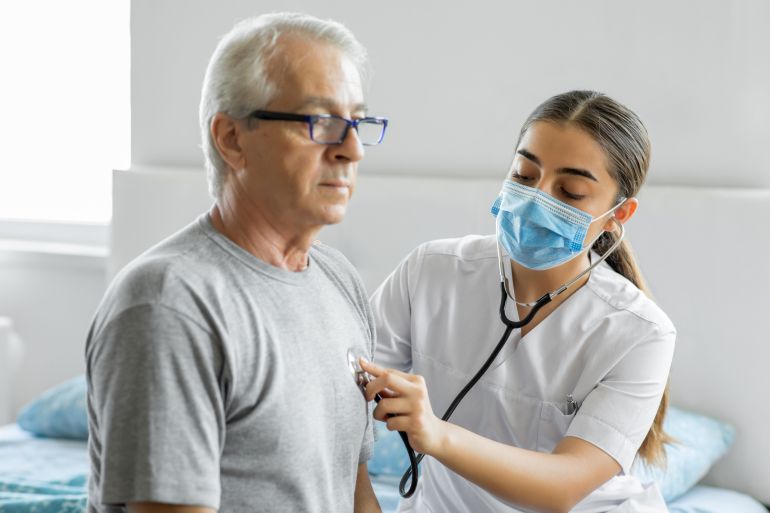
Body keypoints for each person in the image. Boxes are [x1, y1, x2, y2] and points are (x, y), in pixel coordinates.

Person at [85, 13, 388, 513]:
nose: (352, 149)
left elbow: (354, 493)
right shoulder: (169, 303)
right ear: (231, 138)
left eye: (357, 122)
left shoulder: (340, 281)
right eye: (322, 122)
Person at [361, 90, 675, 513]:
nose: (536, 199)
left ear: (619, 213)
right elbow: (342, 400)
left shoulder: (641, 333)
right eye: (525, 176)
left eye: (570, 191)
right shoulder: (432, 270)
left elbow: (563, 487)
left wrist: (436, 433)